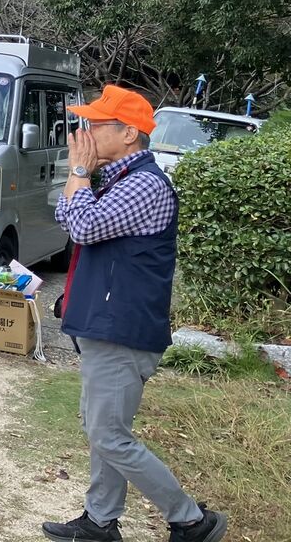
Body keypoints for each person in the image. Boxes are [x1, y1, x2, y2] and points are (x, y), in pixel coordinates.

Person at [41, 86, 227, 542]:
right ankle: (100, 519)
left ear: (129, 134)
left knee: (108, 434)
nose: (84, 133)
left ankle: (190, 520)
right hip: (107, 324)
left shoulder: (144, 184)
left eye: (95, 125)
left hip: (122, 330)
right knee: (102, 428)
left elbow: (82, 224)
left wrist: (79, 172)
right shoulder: (118, 179)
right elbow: (67, 216)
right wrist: (81, 177)